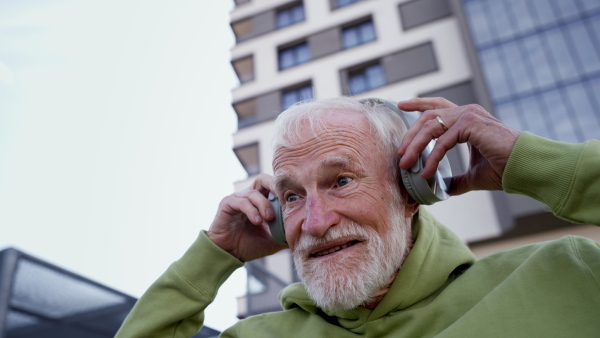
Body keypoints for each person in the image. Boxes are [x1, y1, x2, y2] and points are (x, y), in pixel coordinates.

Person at [116, 97, 600, 337]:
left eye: (341, 181)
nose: (315, 221)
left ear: (412, 189)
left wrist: (537, 164)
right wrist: (213, 257)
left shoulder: (566, 276)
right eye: (291, 197)